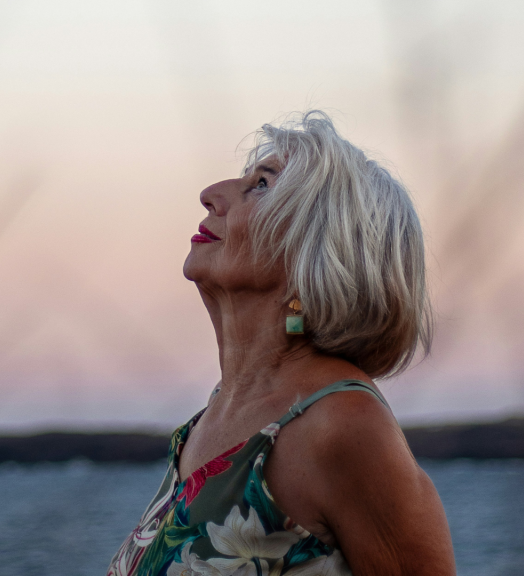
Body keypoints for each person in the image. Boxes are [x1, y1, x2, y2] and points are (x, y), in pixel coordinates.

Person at [107, 111, 455, 576]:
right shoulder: (210, 417)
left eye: (263, 185)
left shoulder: (341, 425)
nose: (211, 195)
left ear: (317, 247)